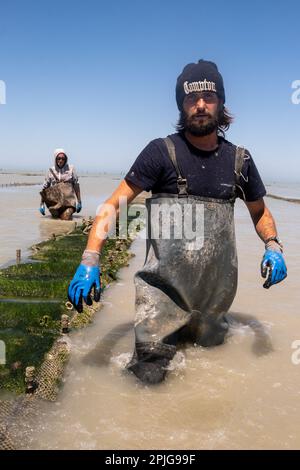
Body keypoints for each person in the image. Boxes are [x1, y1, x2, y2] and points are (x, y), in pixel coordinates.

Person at [68, 60, 287, 385]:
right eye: (190, 97)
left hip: (213, 305)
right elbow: (113, 207)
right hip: (160, 304)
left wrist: (273, 245)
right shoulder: (160, 152)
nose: (200, 105)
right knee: (147, 382)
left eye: (209, 96)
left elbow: (260, 212)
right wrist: (90, 259)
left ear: (221, 103)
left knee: (212, 382)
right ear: (181, 104)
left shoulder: (240, 161)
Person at [39, 148, 82, 220]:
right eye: (58, 158)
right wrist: (41, 204)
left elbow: (76, 185)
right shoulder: (51, 171)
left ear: (66, 159)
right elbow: (45, 188)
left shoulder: (71, 169)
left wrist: (79, 202)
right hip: (55, 202)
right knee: (55, 220)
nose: (61, 160)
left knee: (67, 216)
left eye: (63, 158)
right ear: (55, 159)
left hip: (69, 201)